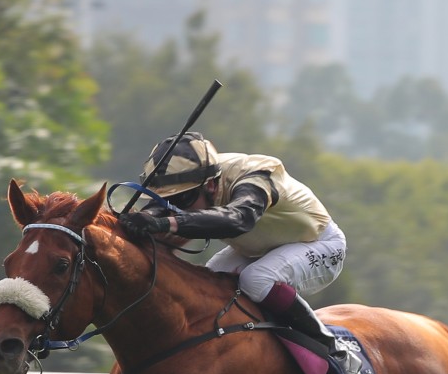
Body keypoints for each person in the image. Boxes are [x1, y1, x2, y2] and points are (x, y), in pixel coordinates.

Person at [118, 132, 348, 361]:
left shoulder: (254, 176)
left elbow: (238, 219)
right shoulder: (192, 179)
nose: (177, 208)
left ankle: (330, 347)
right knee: (210, 278)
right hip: (261, 247)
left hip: (319, 244)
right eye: (170, 201)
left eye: (183, 201)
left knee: (256, 279)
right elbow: (160, 206)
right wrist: (142, 218)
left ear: (209, 185)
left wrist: (164, 223)